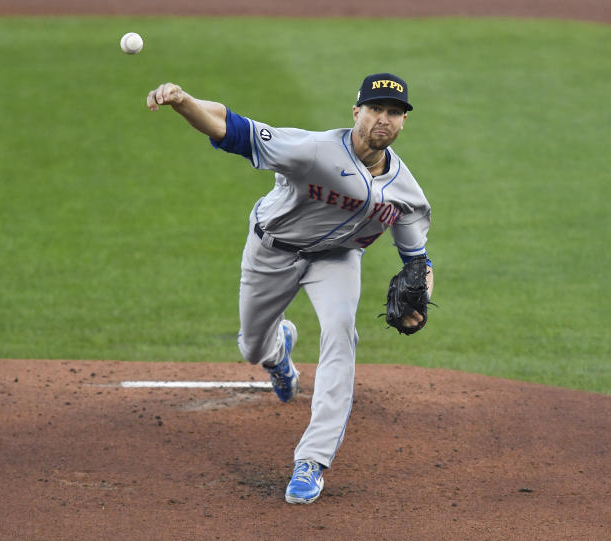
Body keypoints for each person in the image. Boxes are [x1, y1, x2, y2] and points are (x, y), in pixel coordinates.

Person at [146, 73, 434, 504]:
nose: (384, 119)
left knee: (341, 333)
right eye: (375, 109)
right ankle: (278, 352)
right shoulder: (313, 150)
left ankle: (312, 461)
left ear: (403, 122)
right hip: (272, 251)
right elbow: (232, 128)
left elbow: (418, 263)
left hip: (337, 258)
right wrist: (184, 101)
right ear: (356, 112)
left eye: (394, 113)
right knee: (252, 347)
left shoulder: (407, 194)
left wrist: (421, 303)